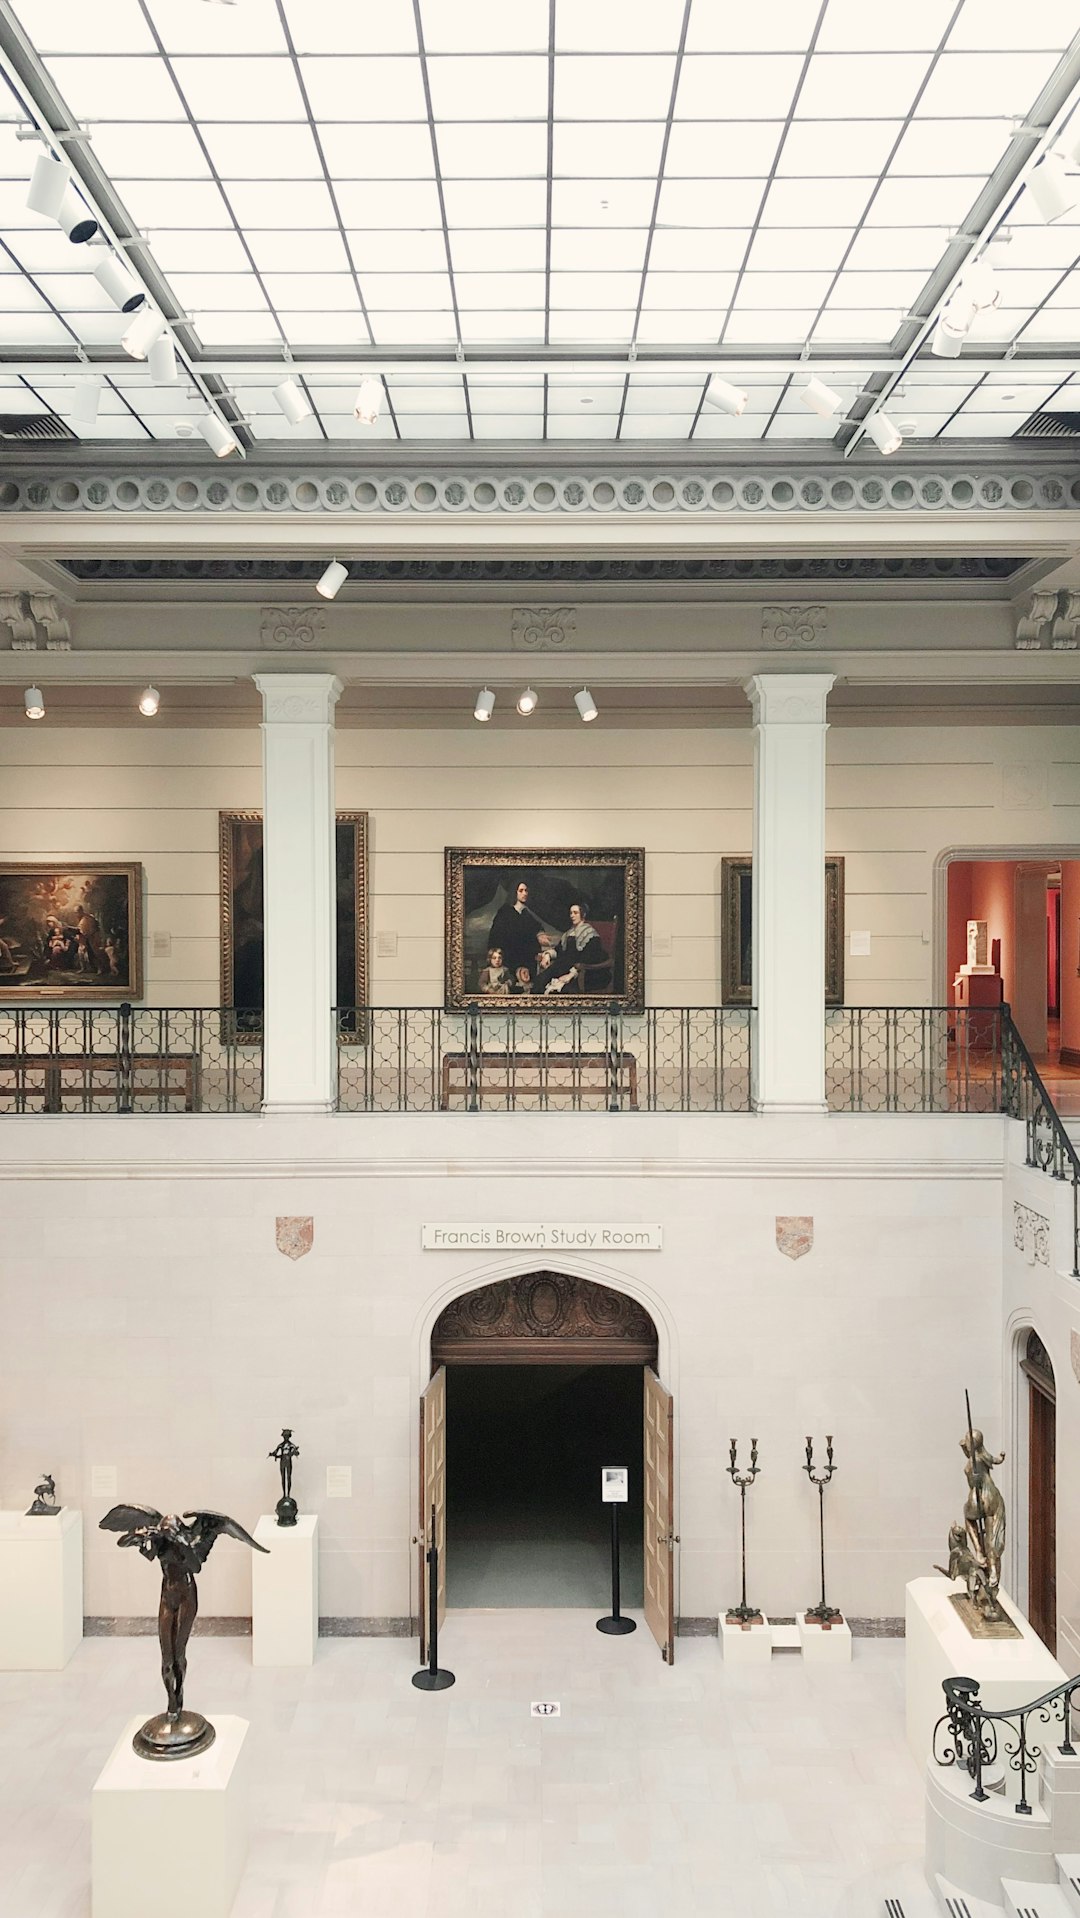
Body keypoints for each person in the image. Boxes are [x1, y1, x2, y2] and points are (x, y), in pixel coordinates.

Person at [487, 880, 550, 975]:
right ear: (514, 892)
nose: (524, 893)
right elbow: (496, 938)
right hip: (510, 959)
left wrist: (540, 934)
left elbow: (537, 927)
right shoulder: (504, 912)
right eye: (521, 891)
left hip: (526, 960)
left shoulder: (526, 913)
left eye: (526, 890)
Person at [546, 902, 610, 995]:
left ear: (583, 914)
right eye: (571, 913)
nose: (572, 916)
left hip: (584, 973)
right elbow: (559, 950)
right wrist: (548, 955)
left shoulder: (591, 934)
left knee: (564, 991)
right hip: (564, 968)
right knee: (540, 981)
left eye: (575, 913)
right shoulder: (568, 933)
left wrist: (571, 975)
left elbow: (589, 958)